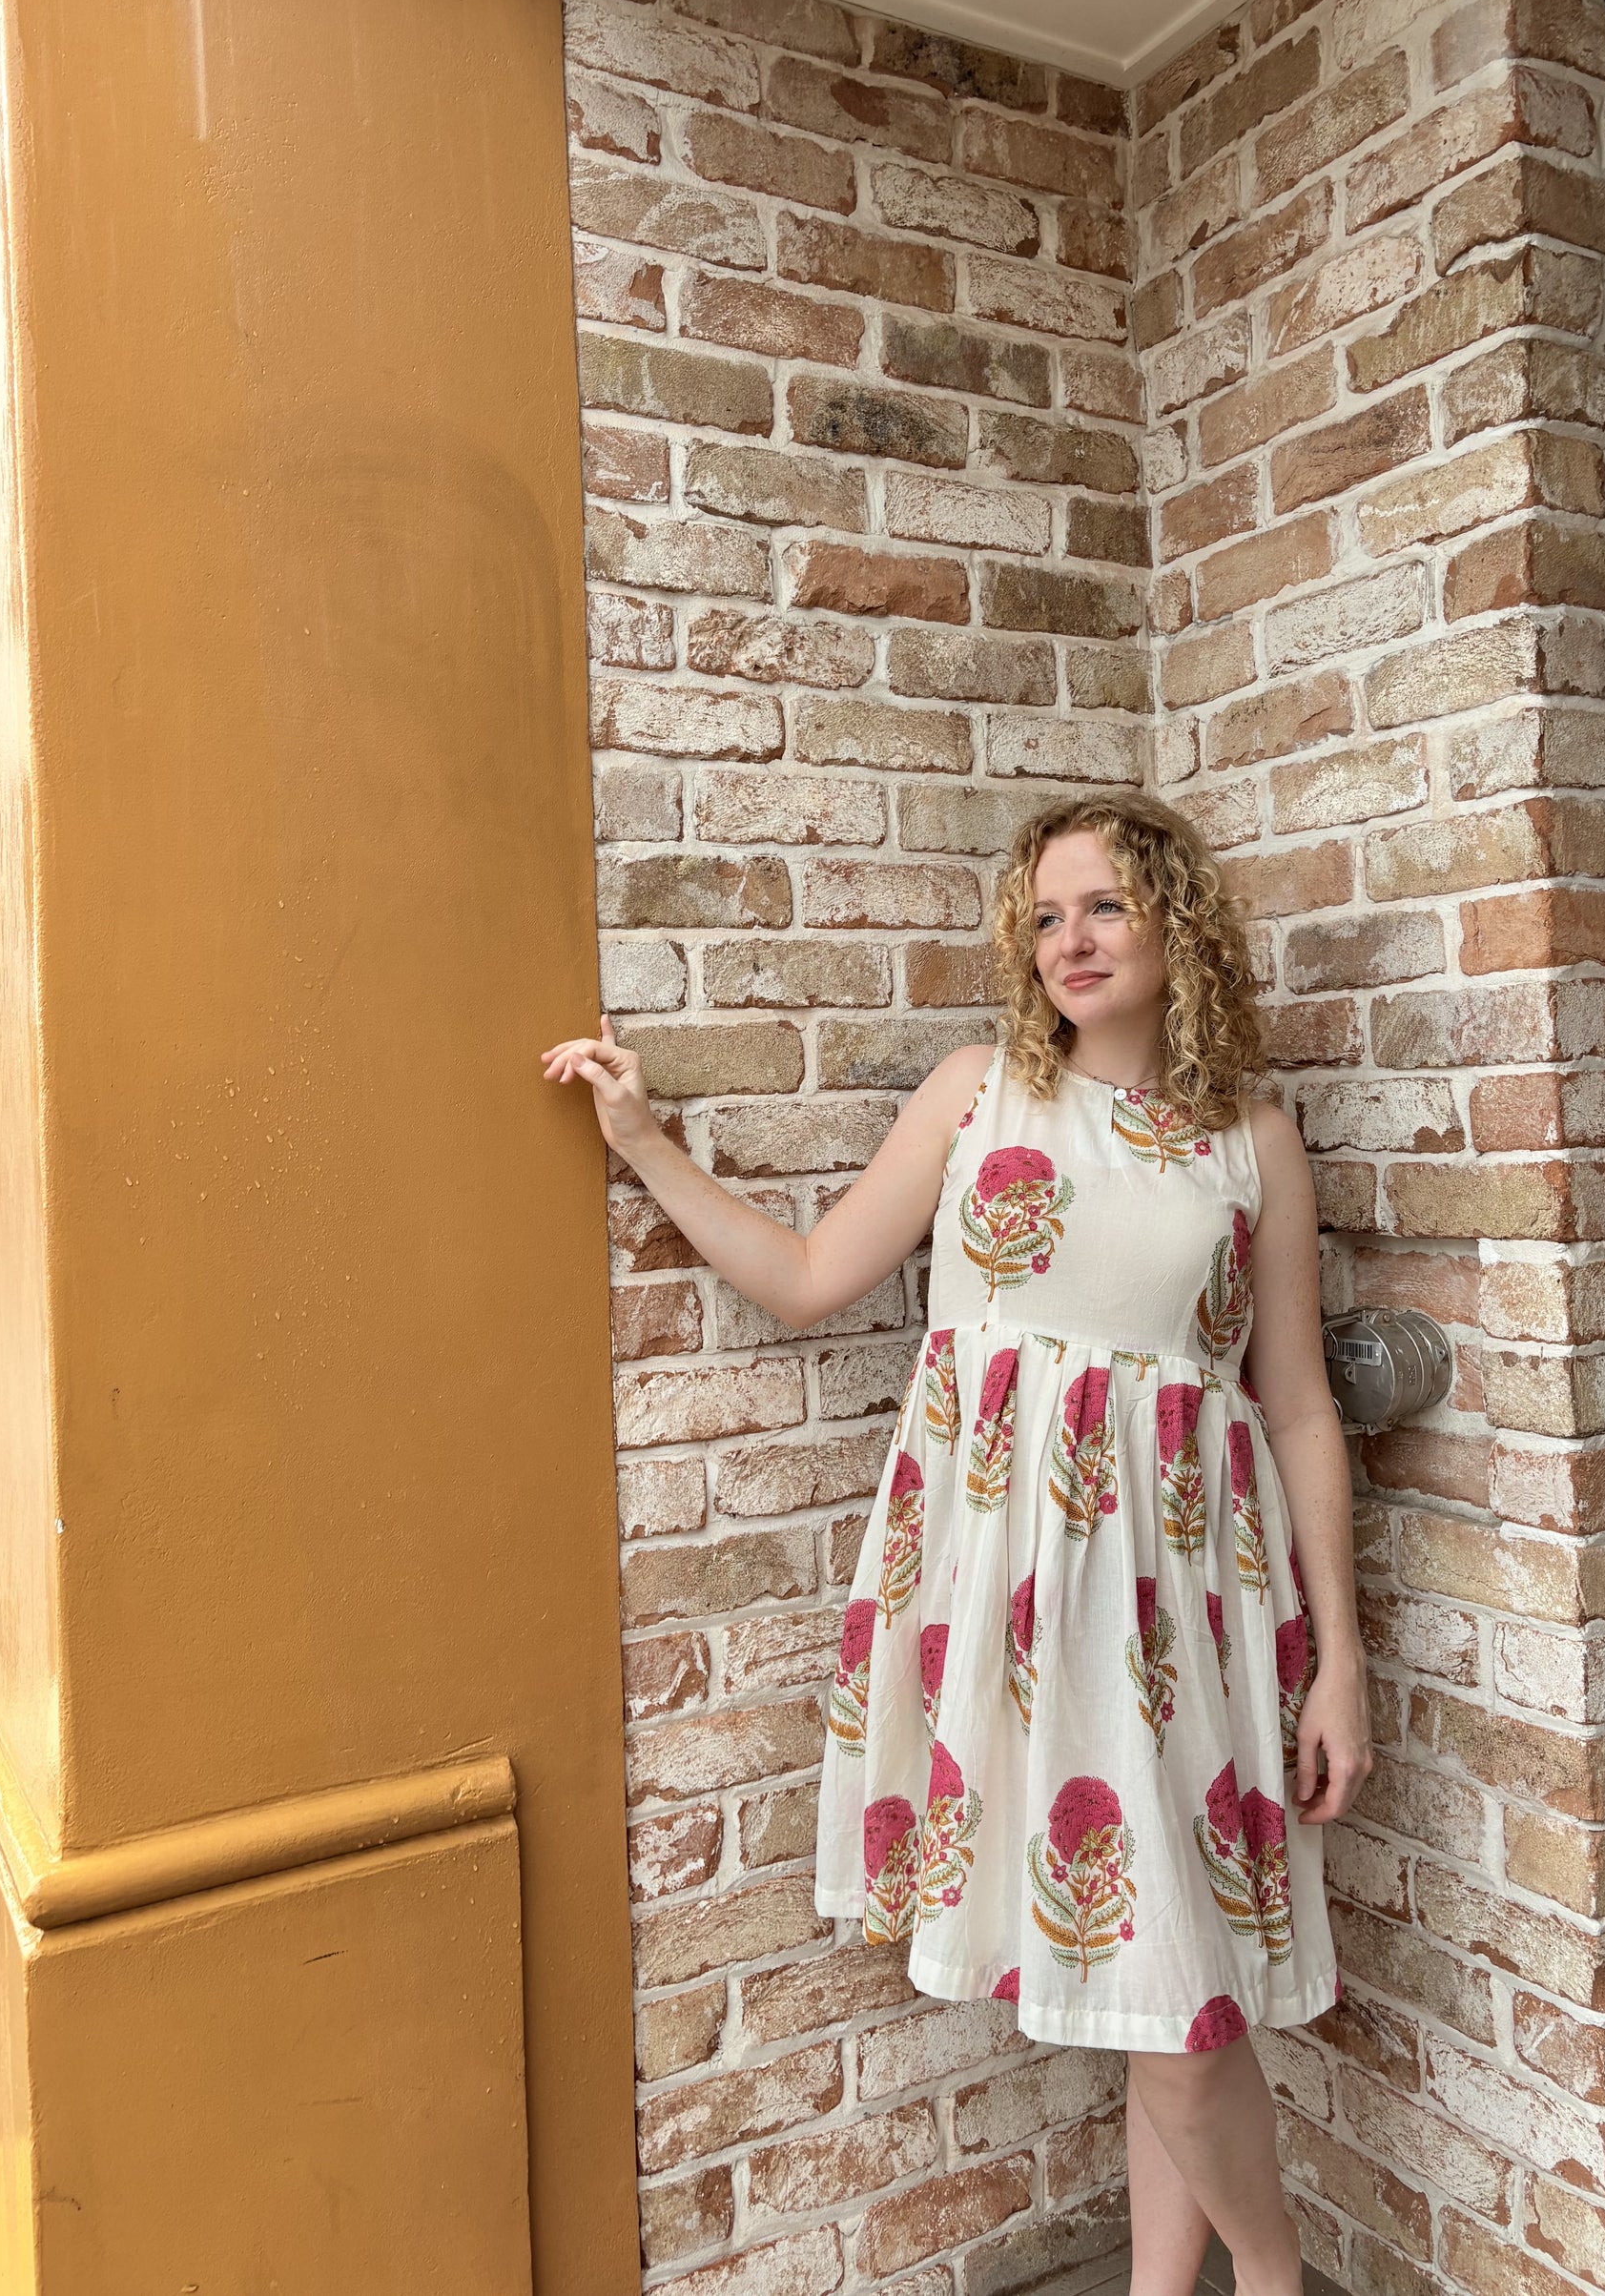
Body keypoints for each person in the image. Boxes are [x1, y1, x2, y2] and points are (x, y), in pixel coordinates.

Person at [544, 788, 1372, 2296]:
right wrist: (645, 1141)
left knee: (1177, 2003)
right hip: (1006, 1598)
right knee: (1143, 1992)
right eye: (1046, 914)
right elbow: (807, 1279)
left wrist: (1342, 1663)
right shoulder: (976, 1093)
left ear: (1177, 926)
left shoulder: (1251, 1139)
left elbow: (1301, 1407)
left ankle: (1272, 2279)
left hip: (1188, 1605)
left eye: (1106, 906)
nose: (1071, 939)